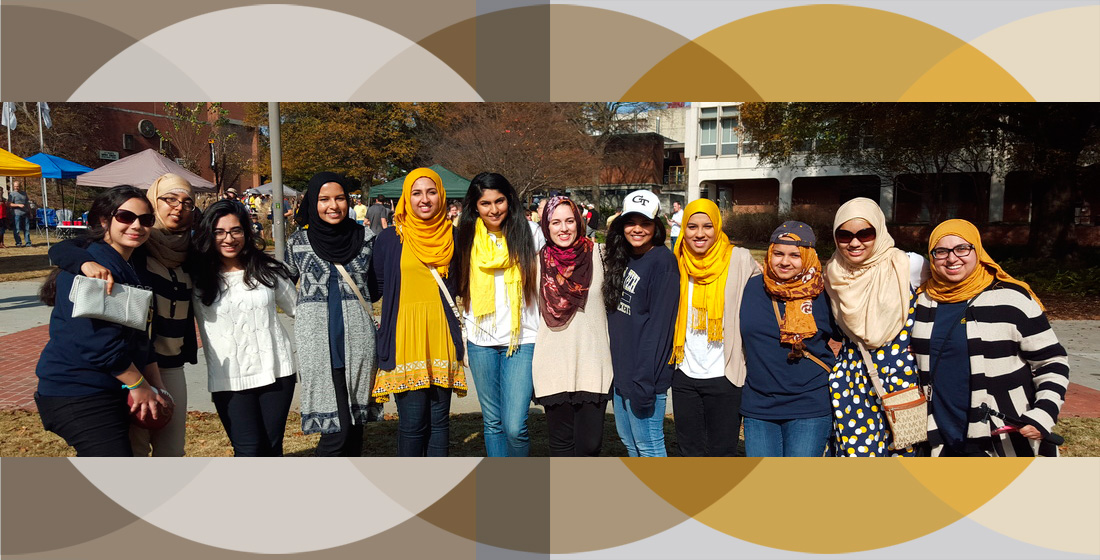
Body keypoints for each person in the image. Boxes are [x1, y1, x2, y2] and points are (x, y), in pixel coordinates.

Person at [49, 173, 199, 457]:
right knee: (130, 452)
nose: (178, 207)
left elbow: (138, 326)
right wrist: (84, 263)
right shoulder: (128, 251)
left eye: (186, 202)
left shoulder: (191, 251)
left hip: (156, 363)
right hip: (113, 373)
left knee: (170, 450)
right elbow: (63, 249)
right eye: (168, 199)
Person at [912, 219, 1069, 457]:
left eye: (962, 249)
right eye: (941, 251)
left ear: (978, 250)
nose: (952, 258)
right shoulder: (922, 301)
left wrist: (1043, 414)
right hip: (939, 435)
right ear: (932, 256)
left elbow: (1051, 362)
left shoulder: (1011, 299)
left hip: (1004, 436)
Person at [34, 185, 169, 456]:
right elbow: (94, 340)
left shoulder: (133, 265)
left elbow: (141, 335)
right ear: (105, 220)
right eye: (125, 217)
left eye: (145, 220)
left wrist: (159, 387)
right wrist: (138, 385)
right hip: (77, 391)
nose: (136, 225)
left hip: (107, 388)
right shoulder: (92, 269)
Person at [371, 168, 467, 456]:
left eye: (431, 192)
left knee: (439, 425)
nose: (424, 199)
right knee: (412, 424)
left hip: (441, 337)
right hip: (404, 338)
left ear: (441, 196)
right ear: (406, 198)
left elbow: (464, 283)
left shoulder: (455, 236)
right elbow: (376, 285)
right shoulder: (390, 239)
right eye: (416, 193)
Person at [824, 197, 928, 457]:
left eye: (865, 233)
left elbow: (947, 294)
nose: (855, 242)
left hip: (902, 378)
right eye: (845, 235)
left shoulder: (909, 265)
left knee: (905, 457)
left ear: (879, 230)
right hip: (853, 380)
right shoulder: (832, 272)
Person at [192, 201, 297, 456]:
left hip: (277, 374)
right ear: (209, 234)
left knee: (272, 449)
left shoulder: (268, 270)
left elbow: (299, 309)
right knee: (248, 450)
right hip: (229, 379)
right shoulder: (195, 276)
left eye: (236, 230)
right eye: (220, 232)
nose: (229, 238)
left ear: (247, 233)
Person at [285, 172, 377, 457]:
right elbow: (281, 286)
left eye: (339, 198)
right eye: (324, 199)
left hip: (359, 345)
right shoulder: (297, 244)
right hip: (319, 348)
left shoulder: (366, 239)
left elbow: (375, 287)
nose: (333, 206)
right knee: (337, 432)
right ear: (313, 202)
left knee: (354, 428)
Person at [452, 172, 542, 457]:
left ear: (510, 200)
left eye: (499, 201)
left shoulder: (530, 233)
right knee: (493, 423)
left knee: (515, 425)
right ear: (474, 206)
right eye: (485, 203)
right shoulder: (465, 236)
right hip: (481, 339)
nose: (494, 209)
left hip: (523, 337)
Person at [668, 199, 759, 456]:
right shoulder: (677, 259)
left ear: (717, 226)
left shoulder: (738, 259)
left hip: (725, 375)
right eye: (692, 226)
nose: (699, 233)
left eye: (707, 226)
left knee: (722, 451)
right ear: (683, 228)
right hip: (685, 374)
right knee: (689, 450)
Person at [740, 221, 839, 457]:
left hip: (809, 404)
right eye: (778, 253)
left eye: (795, 255)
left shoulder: (825, 292)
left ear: (807, 256)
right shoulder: (751, 288)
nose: (785, 261)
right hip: (759, 405)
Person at [532, 196, 613, 456]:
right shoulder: (536, 263)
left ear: (579, 222)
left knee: (589, 446)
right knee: (561, 445)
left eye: (569, 221)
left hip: (593, 363)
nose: (563, 228)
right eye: (555, 222)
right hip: (552, 364)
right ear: (546, 225)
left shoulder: (600, 255)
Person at [603, 190, 679, 457]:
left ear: (655, 226)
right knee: (629, 442)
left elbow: (660, 330)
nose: (637, 229)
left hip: (644, 376)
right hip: (622, 371)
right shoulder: (623, 256)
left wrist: (644, 381)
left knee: (649, 446)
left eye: (645, 223)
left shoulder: (663, 263)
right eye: (631, 222)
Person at [10, 180, 31, 247]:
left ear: (20, 186)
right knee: (17, 229)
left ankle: (28, 242)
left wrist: (30, 212)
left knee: (26, 229)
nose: (16, 188)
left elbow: (27, 203)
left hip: (25, 213)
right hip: (16, 214)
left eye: (17, 186)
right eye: (15, 186)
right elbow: (9, 204)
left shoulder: (24, 193)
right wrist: (18, 205)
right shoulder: (12, 194)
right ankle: (18, 243)